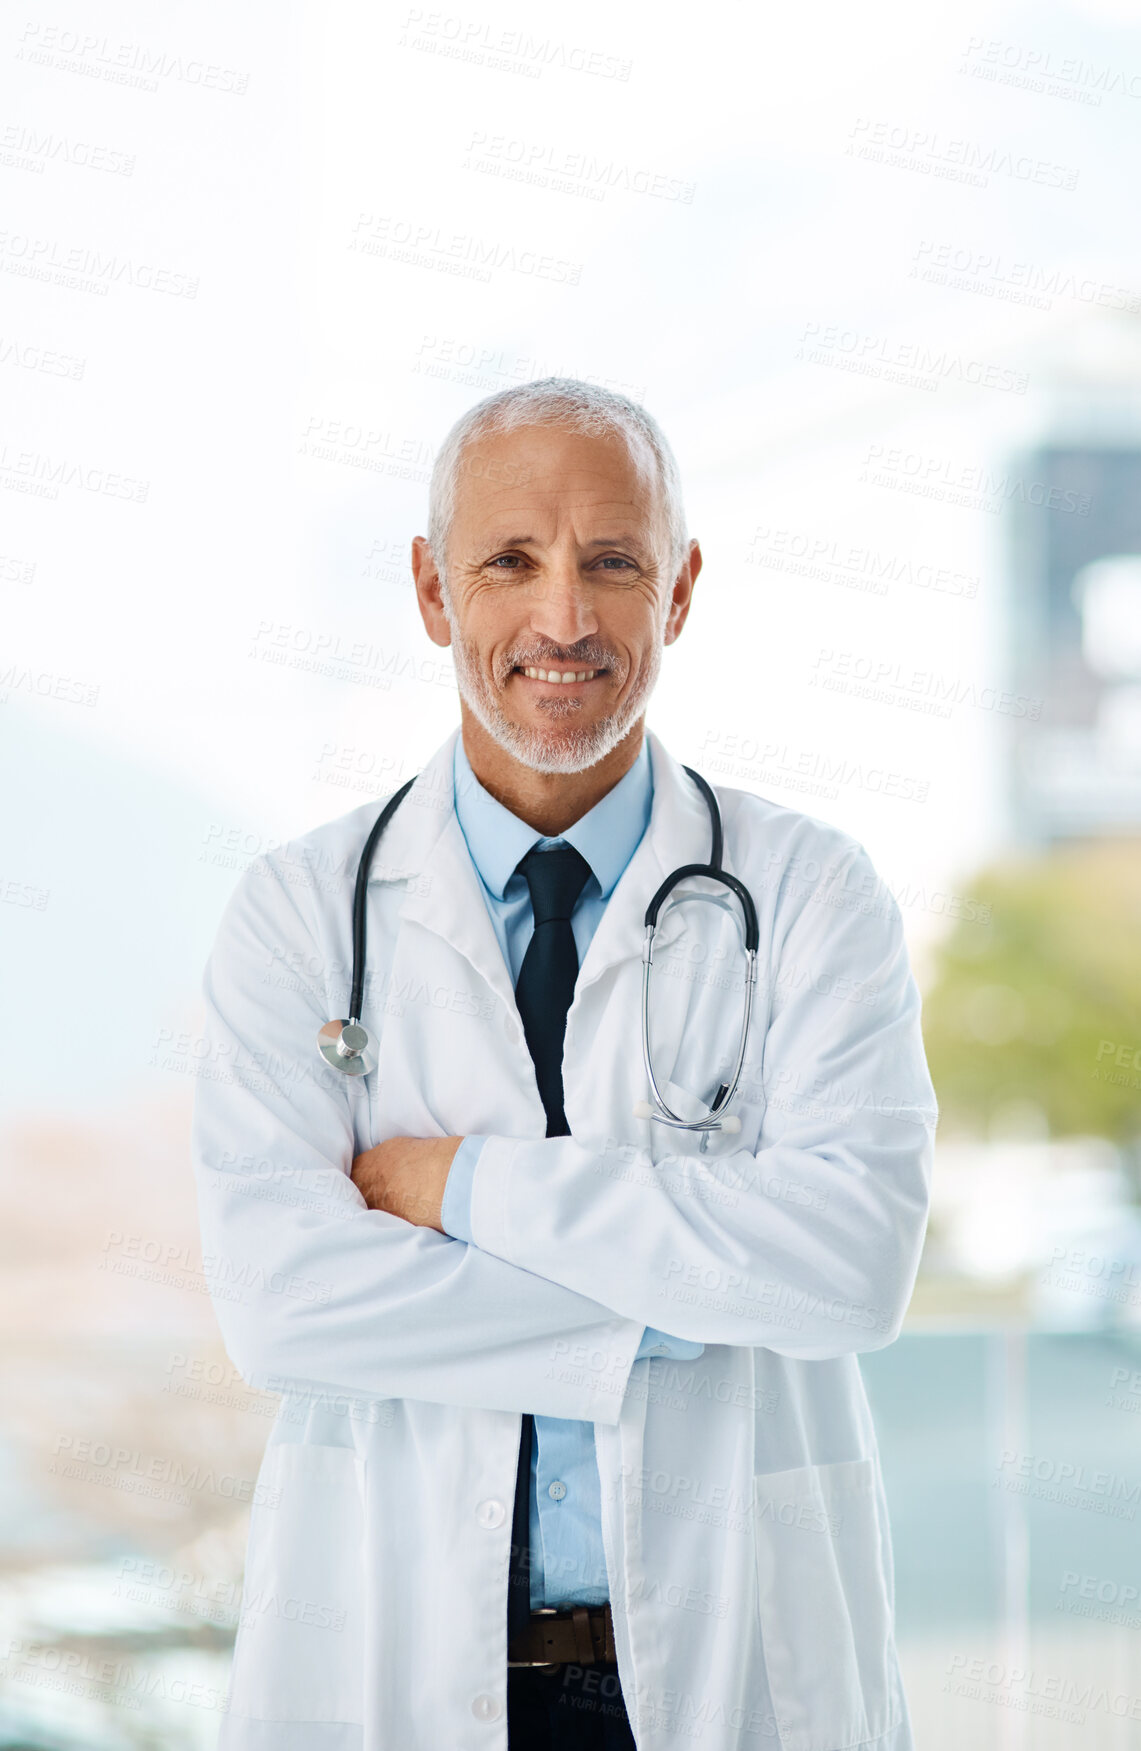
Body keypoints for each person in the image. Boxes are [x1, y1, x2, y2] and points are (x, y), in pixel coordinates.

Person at [192, 377, 938, 1750]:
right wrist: (676, 1308)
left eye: (612, 561)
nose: (563, 620)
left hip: (736, 1665)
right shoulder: (301, 911)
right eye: (508, 562)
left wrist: (456, 1184)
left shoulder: (814, 896)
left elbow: (845, 1270)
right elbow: (284, 1306)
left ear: (680, 587)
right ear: (430, 590)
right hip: (398, 1667)